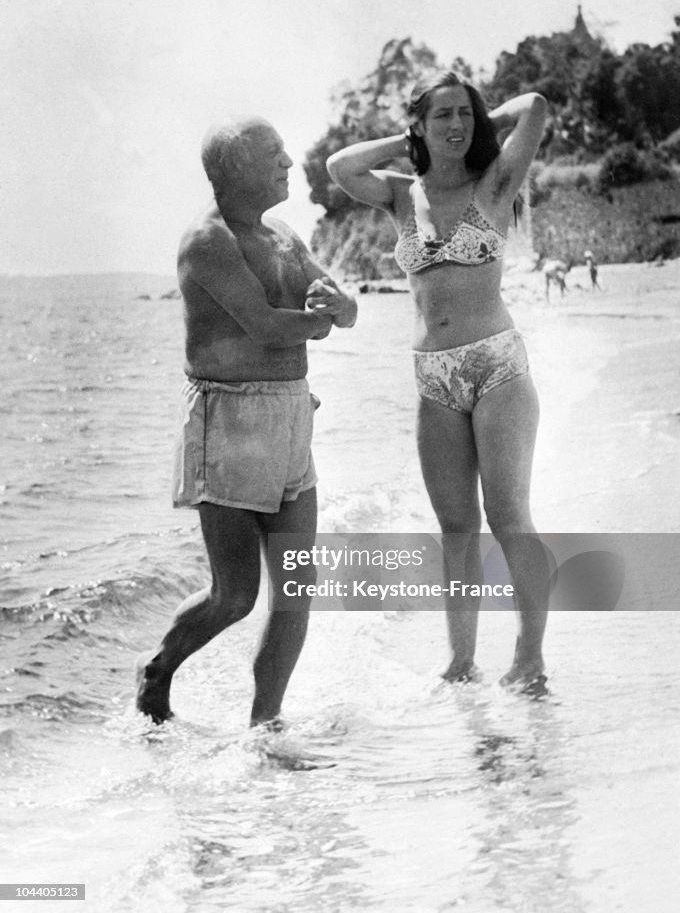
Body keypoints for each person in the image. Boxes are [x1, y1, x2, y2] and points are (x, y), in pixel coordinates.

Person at [326, 71, 550, 692]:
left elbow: (534, 106)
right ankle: (461, 660)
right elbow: (340, 166)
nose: (457, 126)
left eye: (465, 115)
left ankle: (529, 656)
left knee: (508, 519)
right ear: (420, 126)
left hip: (498, 365)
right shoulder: (403, 194)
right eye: (442, 116)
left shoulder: (497, 182)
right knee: (456, 528)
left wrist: (483, 115)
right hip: (434, 379)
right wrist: (406, 140)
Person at [136, 115, 357, 726]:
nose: (289, 161)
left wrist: (342, 305)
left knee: (295, 587)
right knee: (234, 596)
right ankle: (157, 668)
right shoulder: (208, 241)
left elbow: (341, 303)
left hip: (291, 415)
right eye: (274, 153)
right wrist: (323, 321)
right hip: (228, 419)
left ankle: (265, 725)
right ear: (234, 171)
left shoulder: (283, 234)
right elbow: (261, 324)